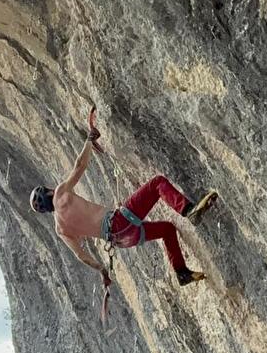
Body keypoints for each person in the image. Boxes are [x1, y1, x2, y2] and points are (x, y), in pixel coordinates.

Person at [29, 117, 217, 287]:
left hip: (122, 240)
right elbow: (80, 165)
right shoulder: (60, 194)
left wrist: (102, 270)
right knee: (157, 183)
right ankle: (188, 210)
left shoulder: (60, 229)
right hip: (120, 222)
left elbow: (81, 255)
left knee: (167, 230)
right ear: (48, 192)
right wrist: (89, 140)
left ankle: (181, 272)